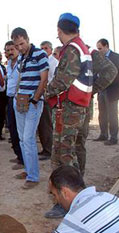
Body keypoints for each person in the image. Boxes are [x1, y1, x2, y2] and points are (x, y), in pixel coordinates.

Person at [44, 13, 92, 217]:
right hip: (78, 106)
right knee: (71, 151)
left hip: (69, 109)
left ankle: (69, 203)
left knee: (62, 155)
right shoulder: (84, 48)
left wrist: (45, 92)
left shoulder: (72, 50)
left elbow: (63, 79)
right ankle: (80, 196)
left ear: (59, 30)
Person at [11, 27, 49, 189]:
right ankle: (28, 170)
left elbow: (44, 79)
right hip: (19, 101)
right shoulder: (21, 57)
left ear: (27, 39)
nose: (20, 47)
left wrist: (35, 99)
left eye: (21, 43)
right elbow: (21, 77)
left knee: (28, 139)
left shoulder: (40, 54)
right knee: (22, 139)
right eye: (16, 45)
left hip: (32, 102)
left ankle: (33, 177)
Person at [76, 47, 118, 175]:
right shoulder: (66, 51)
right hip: (68, 106)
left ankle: (78, 177)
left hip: (82, 105)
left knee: (79, 142)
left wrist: (94, 88)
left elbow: (112, 70)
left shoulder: (89, 53)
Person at [94, 38, 119, 145]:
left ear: (106, 46)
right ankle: (103, 134)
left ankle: (113, 137)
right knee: (102, 113)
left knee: (112, 115)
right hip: (101, 90)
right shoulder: (99, 59)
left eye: (100, 48)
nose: (99, 51)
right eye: (97, 49)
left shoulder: (117, 58)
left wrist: (115, 86)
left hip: (112, 91)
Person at [38, 40, 59, 161]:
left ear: (51, 50)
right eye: (42, 48)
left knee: (46, 124)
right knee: (43, 124)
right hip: (43, 96)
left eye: (46, 48)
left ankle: (48, 150)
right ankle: (46, 148)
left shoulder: (53, 62)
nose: (44, 51)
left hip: (49, 96)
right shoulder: (44, 61)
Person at [4, 41, 23, 167]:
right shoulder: (9, 65)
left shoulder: (23, 62)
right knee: (12, 128)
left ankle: (23, 160)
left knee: (20, 130)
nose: (10, 52)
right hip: (10, 99)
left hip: (20, 99)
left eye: (12, 49)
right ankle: (18, 155)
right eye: (8, 50)